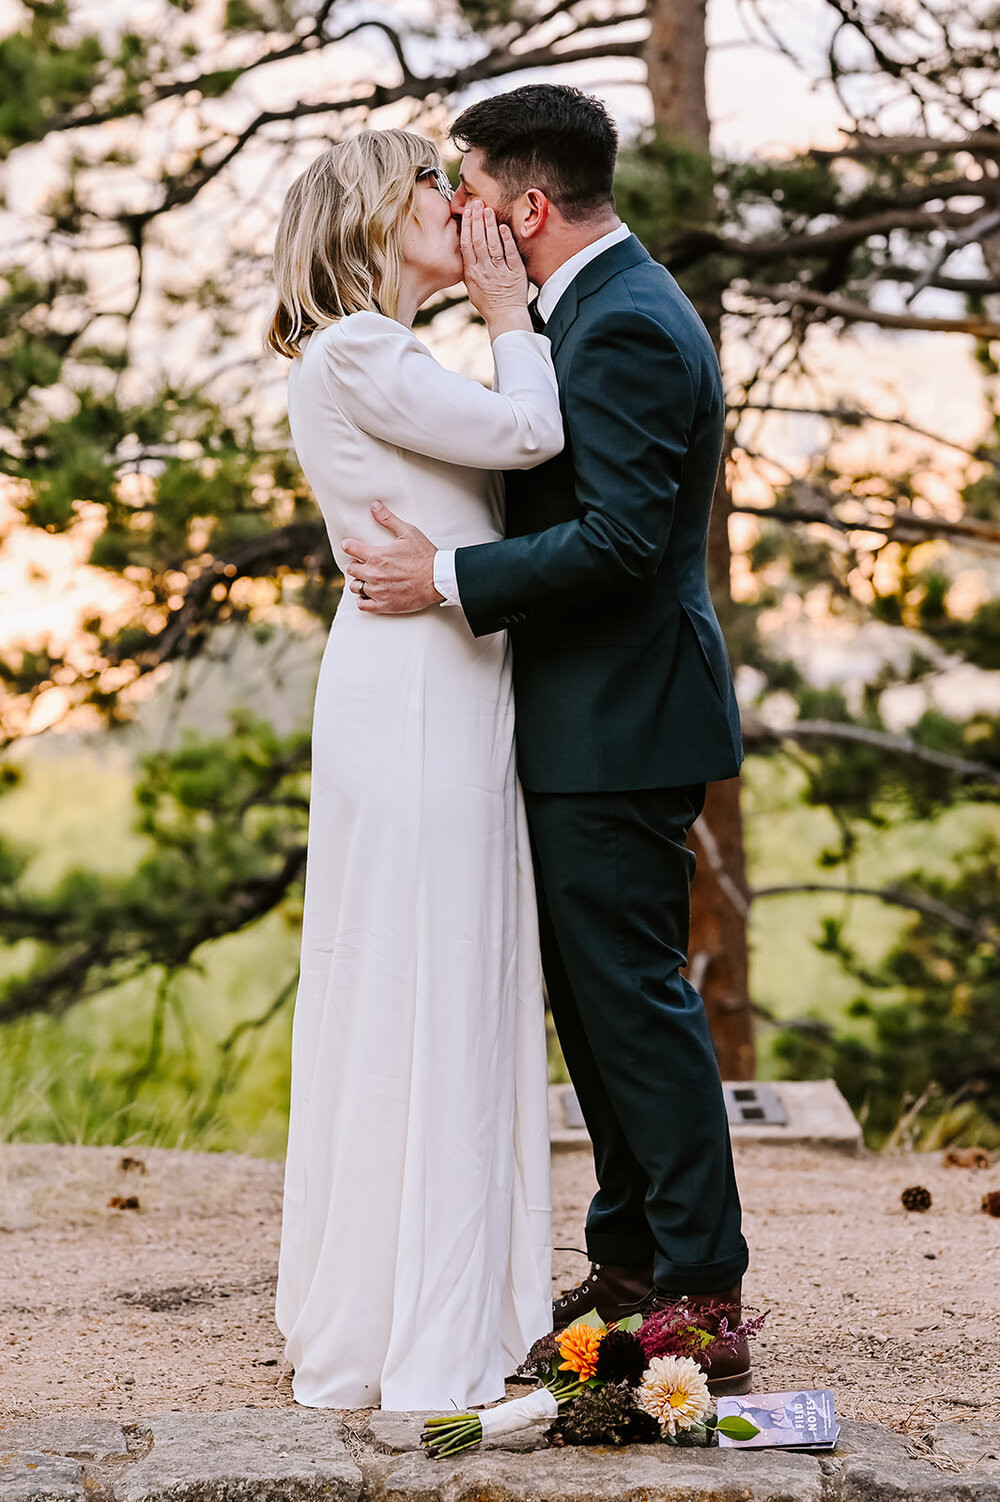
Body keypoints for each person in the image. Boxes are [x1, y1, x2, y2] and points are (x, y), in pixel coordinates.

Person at [341, 85, 753, 1394]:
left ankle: (703, 1299)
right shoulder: (586, 313)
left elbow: (627, 540)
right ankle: (628, 1271)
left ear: (526, 208)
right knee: (598, 1011)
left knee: (634, 1006)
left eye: (472, 196)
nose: (460, 219)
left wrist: (450, 581)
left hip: (623, 718)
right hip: (586, 719)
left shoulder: (623, 323)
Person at [267, 129, 564, 1410]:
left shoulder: (379, 354)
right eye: (436, 188)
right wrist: (511, 311)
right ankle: (416, 1324)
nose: (462, 203)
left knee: (435, 961)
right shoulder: (362, 349)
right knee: (430, 965)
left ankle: (414, 1295)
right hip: (419, 690)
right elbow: (533, 432)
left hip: (431, 675)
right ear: (379, 215)